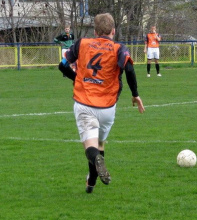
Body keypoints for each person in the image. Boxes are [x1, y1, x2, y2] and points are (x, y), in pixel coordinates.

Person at [61, 13, 145, 194]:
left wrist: (78, 80)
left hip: (84, 104)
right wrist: (135, 94)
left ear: (95, 31)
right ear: (113, 30)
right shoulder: (118, 48)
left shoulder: (81, 43)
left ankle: (97, 163)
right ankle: (91, 181)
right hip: (107, 107)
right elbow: (129, 67)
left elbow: (62, 65)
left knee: (91, 147)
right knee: (99, 144)